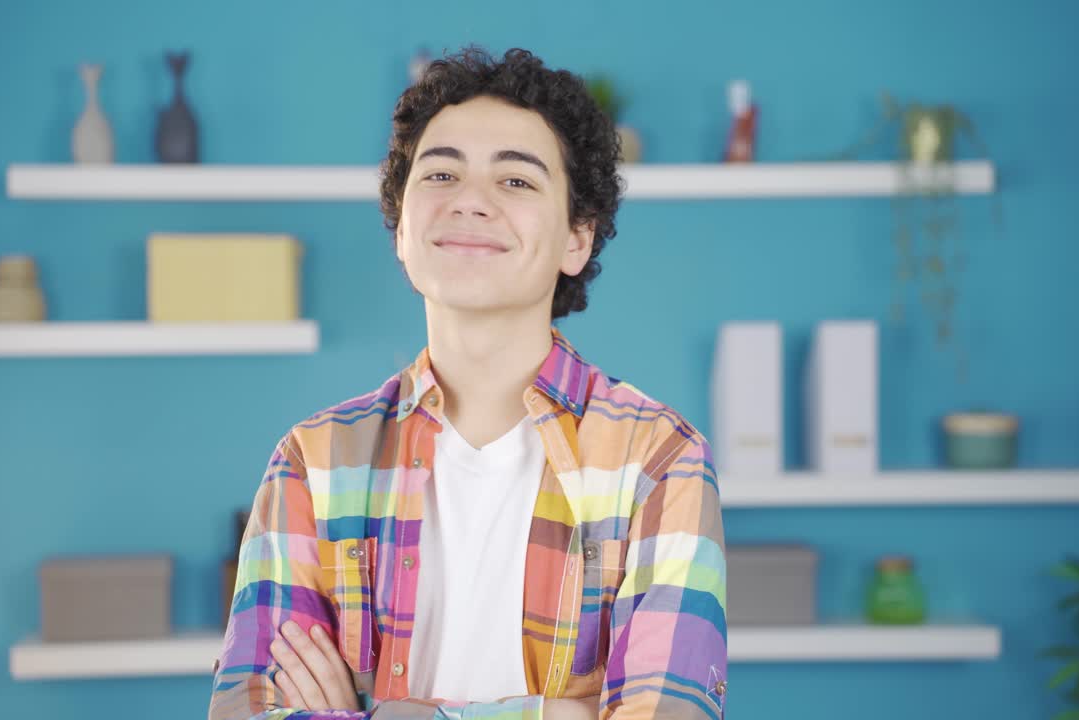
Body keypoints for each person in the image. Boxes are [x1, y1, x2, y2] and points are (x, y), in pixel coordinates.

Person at [208, 46, 727, 720]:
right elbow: (245, 711)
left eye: (516, 181)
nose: (470, 202)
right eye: (441, 173)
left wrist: (383, 715)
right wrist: (562, 713)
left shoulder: (660, 460)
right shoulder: (312, 463)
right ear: (401, 230)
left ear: (577, 237)